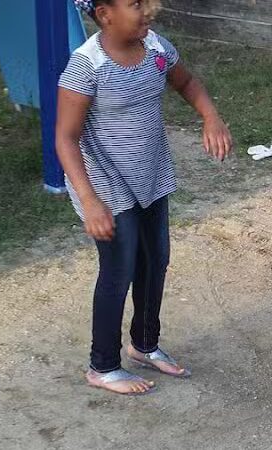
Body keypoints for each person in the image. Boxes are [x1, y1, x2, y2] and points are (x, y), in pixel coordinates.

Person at [56, 0, 233, 395]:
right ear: (105, 14)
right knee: (120, 270)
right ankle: (102, 365)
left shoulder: (156, 47)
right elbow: (65, 139)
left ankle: (145, 344)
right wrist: (90, 202)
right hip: (104, 182)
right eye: (136, 4)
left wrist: (211, 117)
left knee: (156, 261)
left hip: (150, 173)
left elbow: (186, 82)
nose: (149, 10)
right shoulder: (87, 66)